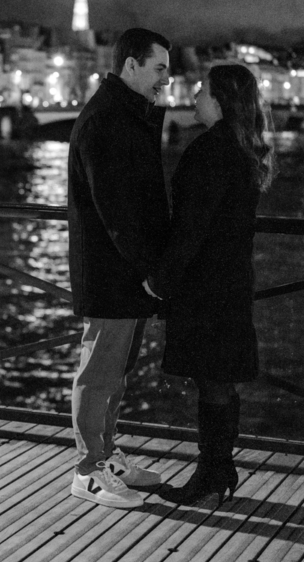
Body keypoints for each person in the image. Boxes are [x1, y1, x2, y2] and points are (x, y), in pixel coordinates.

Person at [153, 64, 274, 506]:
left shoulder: (208, 150)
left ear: (219, 100)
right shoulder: (243, 150)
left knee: (210, 379)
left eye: (202, 90)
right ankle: (219, 468)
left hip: (205, 286)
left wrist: (160, 279)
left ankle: (211, 472)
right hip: (233, 281)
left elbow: (190, 228)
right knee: (220, 380)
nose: (196, 96)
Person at [66, 27, 172, 509]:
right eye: (159, 69)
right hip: (113, 270)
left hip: (125, 269)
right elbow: (116, 209)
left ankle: (106, 455)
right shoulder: (107, 122)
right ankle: (88, 469)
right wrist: (150, 266)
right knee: (100, 369)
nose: (165, 81)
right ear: (130, 66)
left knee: (116, 371)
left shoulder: (122, 116)